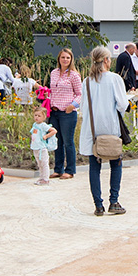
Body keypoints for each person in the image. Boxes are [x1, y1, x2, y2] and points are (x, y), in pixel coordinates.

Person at [79, 45, 131, 216]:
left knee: (94, 167)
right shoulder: (114, 79)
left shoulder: (86, 81)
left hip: (92, 130)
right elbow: (123, 104)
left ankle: (98, 205)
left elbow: (83, 107)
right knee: (116, 163)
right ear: (107, 60)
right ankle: (114, 201)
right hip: (110, 126)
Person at [47, 47, 82, 179]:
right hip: (54, 111)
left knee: (68, 141)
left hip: (67, 112)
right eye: (63, 57)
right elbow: (53, 90)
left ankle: (70, 170)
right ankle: (58, 169)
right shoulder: (54, 73)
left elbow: (80, 94)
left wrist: (72, 105)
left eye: (68, 58)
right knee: (57, 141)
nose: (65, 60)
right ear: (59, 59)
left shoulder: (74, 75)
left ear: (71, 59)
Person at [29, 105, 56, 185]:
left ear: (44, 117)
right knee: (39, 164)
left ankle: (46, 179)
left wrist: (46, 136)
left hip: (42, 148)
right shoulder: (35, 125)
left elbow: (54, 131)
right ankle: (41, 177)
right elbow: (32, 132)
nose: (37, 117)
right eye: (35, 115)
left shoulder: (43, 125)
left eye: (39, 116)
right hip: (35, 147)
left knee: (44, 163)